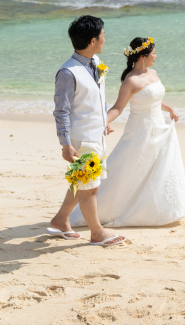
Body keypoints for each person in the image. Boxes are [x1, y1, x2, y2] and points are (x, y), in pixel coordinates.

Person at [68, 37, 185, 228]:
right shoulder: (131, 81)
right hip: (140, 132)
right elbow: (118, 107)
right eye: (153, 53)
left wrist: (170, 109)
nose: (156, 56)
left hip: (159, 127)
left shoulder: (153, 73)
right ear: (142, 56)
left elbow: (154, 98)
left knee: (159, 168)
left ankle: (157, 208)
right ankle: (99, 210)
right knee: (129, 169)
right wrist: (102, 123)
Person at [47, 15, 126, 246]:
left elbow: (97, 98)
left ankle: (61, 220)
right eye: (102, 35)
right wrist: (65, 144)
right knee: (90, 188)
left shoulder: (95, 62)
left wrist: (104, 121)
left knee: (82, 182)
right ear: (92, 40)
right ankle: (97, 232)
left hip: (97, 134)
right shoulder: (68, 73)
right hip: (81, 139)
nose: (105, 39)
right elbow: (61, 111)